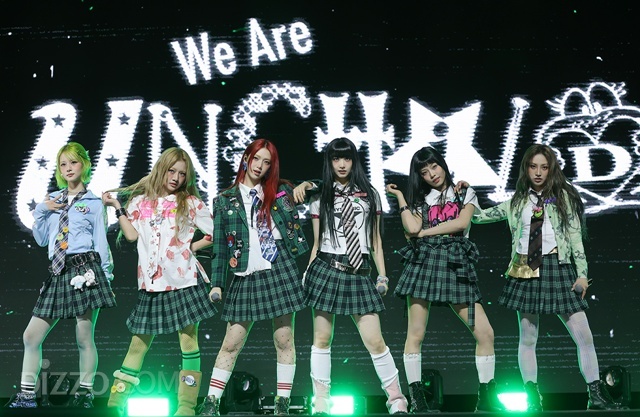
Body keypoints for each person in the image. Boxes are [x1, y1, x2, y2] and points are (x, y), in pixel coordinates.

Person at [470, 144, 619, 411]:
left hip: (558, 267)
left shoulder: (563, 198)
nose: (538, 172)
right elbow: (479, 218)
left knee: (584, 336)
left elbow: (575, 238)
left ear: (551, 170)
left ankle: (596, 394)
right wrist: (467, 195)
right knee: (528, 338)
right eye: (533, 166)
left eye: (544, 167)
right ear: (526, 169)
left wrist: (582, 274)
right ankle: (532, 396)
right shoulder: (517, 202)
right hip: (526, 269)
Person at [294, 137, 408, 415]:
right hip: (326, 268)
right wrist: (307, 273)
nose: (342, 164)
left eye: (346, 158)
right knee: (322, 339)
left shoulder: (370, 194)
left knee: (375, 340)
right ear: (329, 162)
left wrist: (382, 275)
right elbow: (317, 241)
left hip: (359, 272)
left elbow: (376, 239)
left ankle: (396, 399)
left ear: (354, 161)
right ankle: (321, 400)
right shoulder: (320, 196)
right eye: (336, 159)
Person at [385, 147, 504, 413]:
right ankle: (417, 399)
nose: (431, 174)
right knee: (415, 334)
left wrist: (425, 233)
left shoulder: (464, 192)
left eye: (434, 166)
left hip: (456, 265)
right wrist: (401, 197)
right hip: (424, 264)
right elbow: (411, 229)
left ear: (443, 164)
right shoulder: (420, 199)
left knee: (485, 332)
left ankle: (486, 396)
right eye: (424, 171)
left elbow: (461, 224)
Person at [197, 139, 309, 416]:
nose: (260, 166)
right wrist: (217, 284)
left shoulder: (281, 191)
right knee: (231, 343)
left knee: (284, 340)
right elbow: (220, 247)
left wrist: (309, 184)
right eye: (256, 159)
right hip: (246, 272)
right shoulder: (224, 200)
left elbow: (321, 188)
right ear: (246, 158)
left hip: (279, 267)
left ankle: (282, 404)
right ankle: (211, 402)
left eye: (266, 162)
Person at [102, 147, 216, 416]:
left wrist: (191, 247)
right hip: (151, 284)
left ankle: (187, 407)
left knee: (188, 343)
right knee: (137, 344)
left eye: (182, 174)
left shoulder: (190, 202)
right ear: (162, 169)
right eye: (171, 171)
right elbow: (131, 236)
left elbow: (216, 232)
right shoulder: (139, 202)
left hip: (183, 281)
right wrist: (118, 208)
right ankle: (114, 404)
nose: (176, 178)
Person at [5, 142, 116, 409]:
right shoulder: (53, 200)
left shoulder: (94, 203)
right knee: (31, 336)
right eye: (63, 164)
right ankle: (27, 396)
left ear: (84, 165)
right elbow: (42, 239)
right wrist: (42, 210)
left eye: (73, 162)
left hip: (85, 270)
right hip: (58, 271)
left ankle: (85, 394)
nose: (68, 168)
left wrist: (105, 275)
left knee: (83, 337)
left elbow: (101, 241)